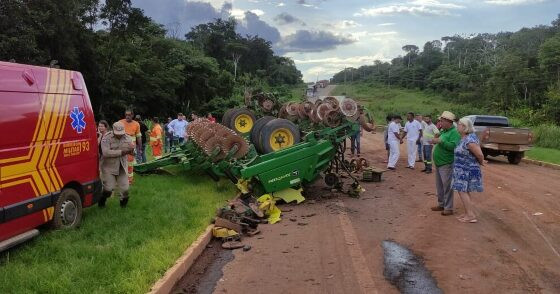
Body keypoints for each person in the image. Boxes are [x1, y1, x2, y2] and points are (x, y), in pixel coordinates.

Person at [452, 117, 485, 223]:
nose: (457, 126)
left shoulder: (470, 140)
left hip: (467, 169)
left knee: (462, 191)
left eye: (459, 124)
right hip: (461, 169)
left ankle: (470, 215)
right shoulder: (464, 138)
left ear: (465, 127)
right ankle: (468, 212)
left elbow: (479, 154)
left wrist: (480, 162)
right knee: (464, 191)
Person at [430, 111, 461, 216]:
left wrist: (441, 142)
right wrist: (436, 138)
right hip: (439, 163)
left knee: (447, 186)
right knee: (439, 186)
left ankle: (448, 207)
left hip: (446, 163)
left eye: (442, 121)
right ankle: (441, 204)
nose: (440, 123)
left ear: (448, 122)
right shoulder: (444, 131)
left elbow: (453, 147)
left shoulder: (454, 133)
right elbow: (440, 140)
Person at [99, 122, 135, 208]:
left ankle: (123, 207)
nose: (119, 135)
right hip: (108, 167)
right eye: (117, 133)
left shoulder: (128, 138)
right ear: (113, 130)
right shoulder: (106, 138)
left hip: (121, 166)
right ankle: (101, 202)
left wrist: (133, 150)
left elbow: (133, 152)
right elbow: (106, 153)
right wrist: (122, 152)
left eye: (121, 133)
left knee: (125, 189)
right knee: (108, 189)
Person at [118, 110, 141, 185]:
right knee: (120, 163)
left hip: (131, 148)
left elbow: (138, 137)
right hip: (121, 147)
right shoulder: (120, 122)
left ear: (132, 115)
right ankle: (121, 179)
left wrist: (139, 148)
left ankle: (129, 181)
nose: (127, 116)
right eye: (126, 115)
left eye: (129, 115)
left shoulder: (136, 124)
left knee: (130, 164)